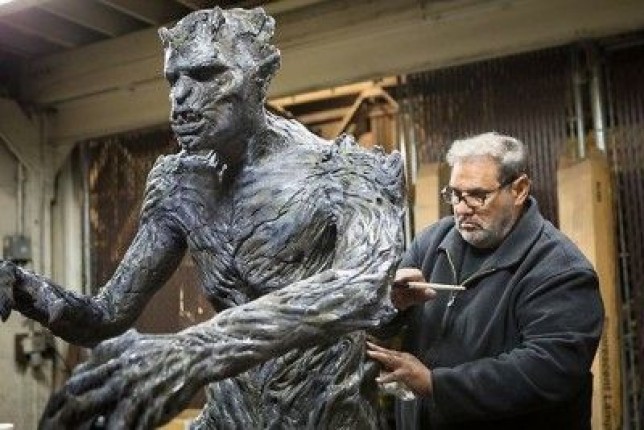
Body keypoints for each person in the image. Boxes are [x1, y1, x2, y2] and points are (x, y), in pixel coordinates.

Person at [0, 7, 406, 430]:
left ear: (261, 77)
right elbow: (106, 315)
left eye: (206, 75)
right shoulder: (179, 185)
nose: (180, 96)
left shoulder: (344, 171)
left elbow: (363, 285)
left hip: (325, 419)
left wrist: (194, 350)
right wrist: (28, 289)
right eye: (173, 79)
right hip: (229, 418)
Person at [367, 132, 604, 430]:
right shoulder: (432, 243)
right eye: (454, 194)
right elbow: (381, 325)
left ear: (519, 190)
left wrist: (436, 385)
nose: (461, 208)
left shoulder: (560, 270)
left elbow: (549, 370)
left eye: (477, 195)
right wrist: (392, 304)